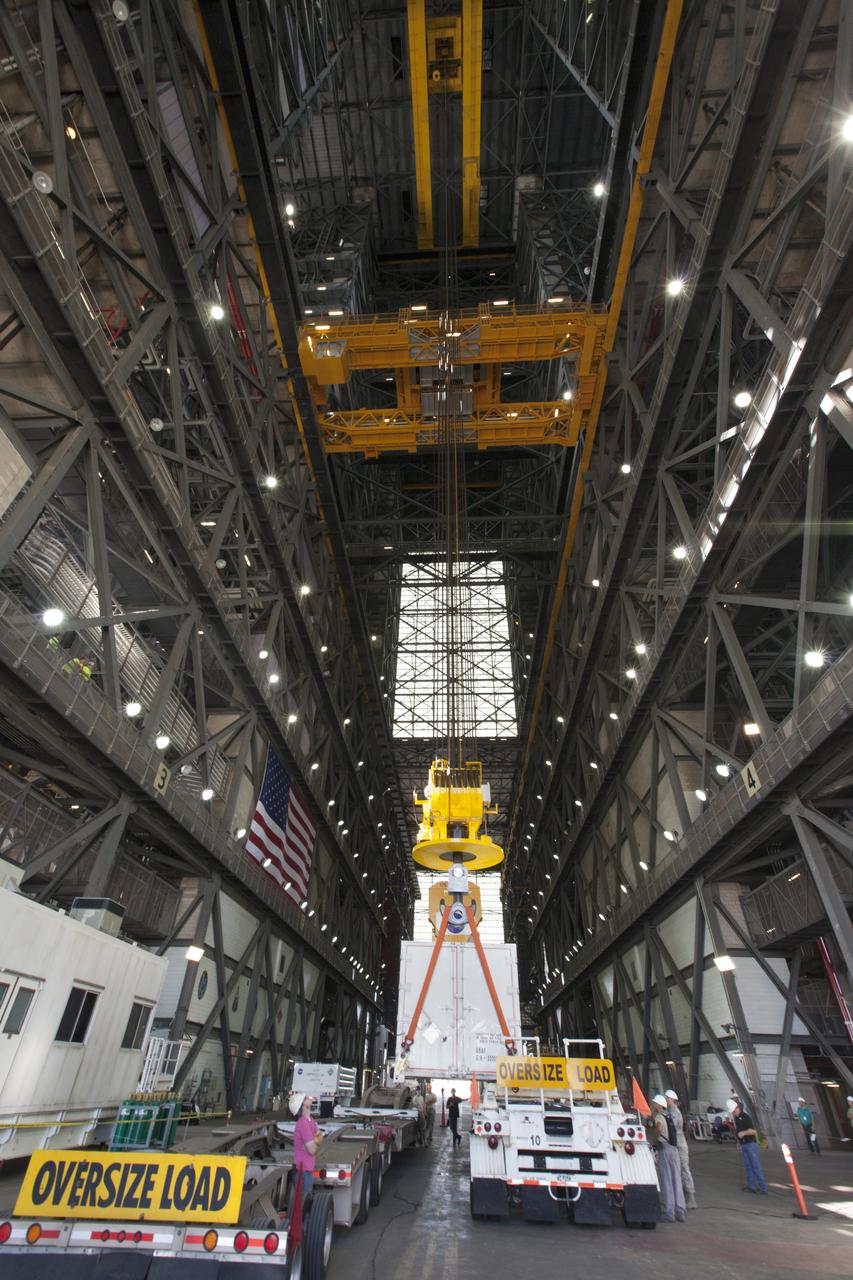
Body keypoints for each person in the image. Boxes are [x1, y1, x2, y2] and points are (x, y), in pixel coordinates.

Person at [652, 1094, 685, 1222]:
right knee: (676, 1179)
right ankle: (680, 1211)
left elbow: (659, 1128)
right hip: (674, 1150)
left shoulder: (660, 1116)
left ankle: (668, 1212)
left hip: (665, 1149)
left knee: (666, 1179)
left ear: (659, 1105)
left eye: (655, 1103)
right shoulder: (669, 1116)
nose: (654, 1105)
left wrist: (654, 1139)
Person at [727, 1098, 767, 1194]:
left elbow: (753, 1131)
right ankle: (751, 1186)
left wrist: (743, 1133)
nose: (733, 1113)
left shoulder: (746, 1117)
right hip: (744, 1145)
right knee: (748, 1167)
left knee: (756, 1167)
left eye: (733, 1111)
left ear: (737, 1108)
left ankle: (763, 1188)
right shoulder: (737, 1118)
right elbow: (738, 1132)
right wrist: (739, 1143)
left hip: (751, 1145)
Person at [665, 1088, 696, 1207]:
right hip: (675, 1143)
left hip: (680, 1144)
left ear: (672, 1099)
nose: (666, 1100)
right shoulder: (669, 1112)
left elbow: (674, 1128)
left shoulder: (675, 1113)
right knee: (677, 1170)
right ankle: (681, 1197)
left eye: (667, 1098)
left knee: (684, 1169)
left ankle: (691, 1198)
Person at [291, 1092, 324, 1200]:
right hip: (303, 1172)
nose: (308, 1098)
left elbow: (320, 1137)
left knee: (305, 1202)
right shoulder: (303, 1125)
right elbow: (313, 1150)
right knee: (305, 1204)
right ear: (303, 1106)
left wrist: (314, 1140)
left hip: (306, 1170)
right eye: (305, 1099)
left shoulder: (310, 1121)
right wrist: (316, 1141)